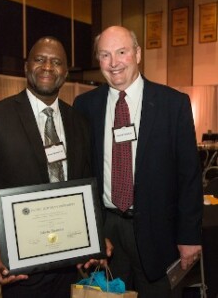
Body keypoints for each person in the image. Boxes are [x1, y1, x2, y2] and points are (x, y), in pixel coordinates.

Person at [0, 36, 103, 298]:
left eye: (56, 62)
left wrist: (95, 236)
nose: (48, 66)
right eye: (40, 59)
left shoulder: (79, 122)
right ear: (26, 67)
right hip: (21, 268)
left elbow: (87, 183)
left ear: (65, 72)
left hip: (72, 263)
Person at [73, 26, 203, 298]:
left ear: (138, 54)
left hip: (159, 231)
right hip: (106, 229)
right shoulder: (85, 106)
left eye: (122, 52)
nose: (114, 62)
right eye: (105, 55)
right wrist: (87, 233)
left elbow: (188, 176)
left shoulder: (173, 104)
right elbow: (81, 173)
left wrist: (189, 236)